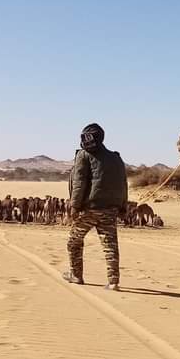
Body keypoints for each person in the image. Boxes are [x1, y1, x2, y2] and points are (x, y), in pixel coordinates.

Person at [64, 123, 128, 290]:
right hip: (110, 209)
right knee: (110, 245)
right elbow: (123, 183)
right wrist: (122, 206)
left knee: (74, 241)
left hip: (89, 209)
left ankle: (76, 275)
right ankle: (113, 282)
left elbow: (79, 183)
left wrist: (74, 206)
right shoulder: (116, 158)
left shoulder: (84, 155)